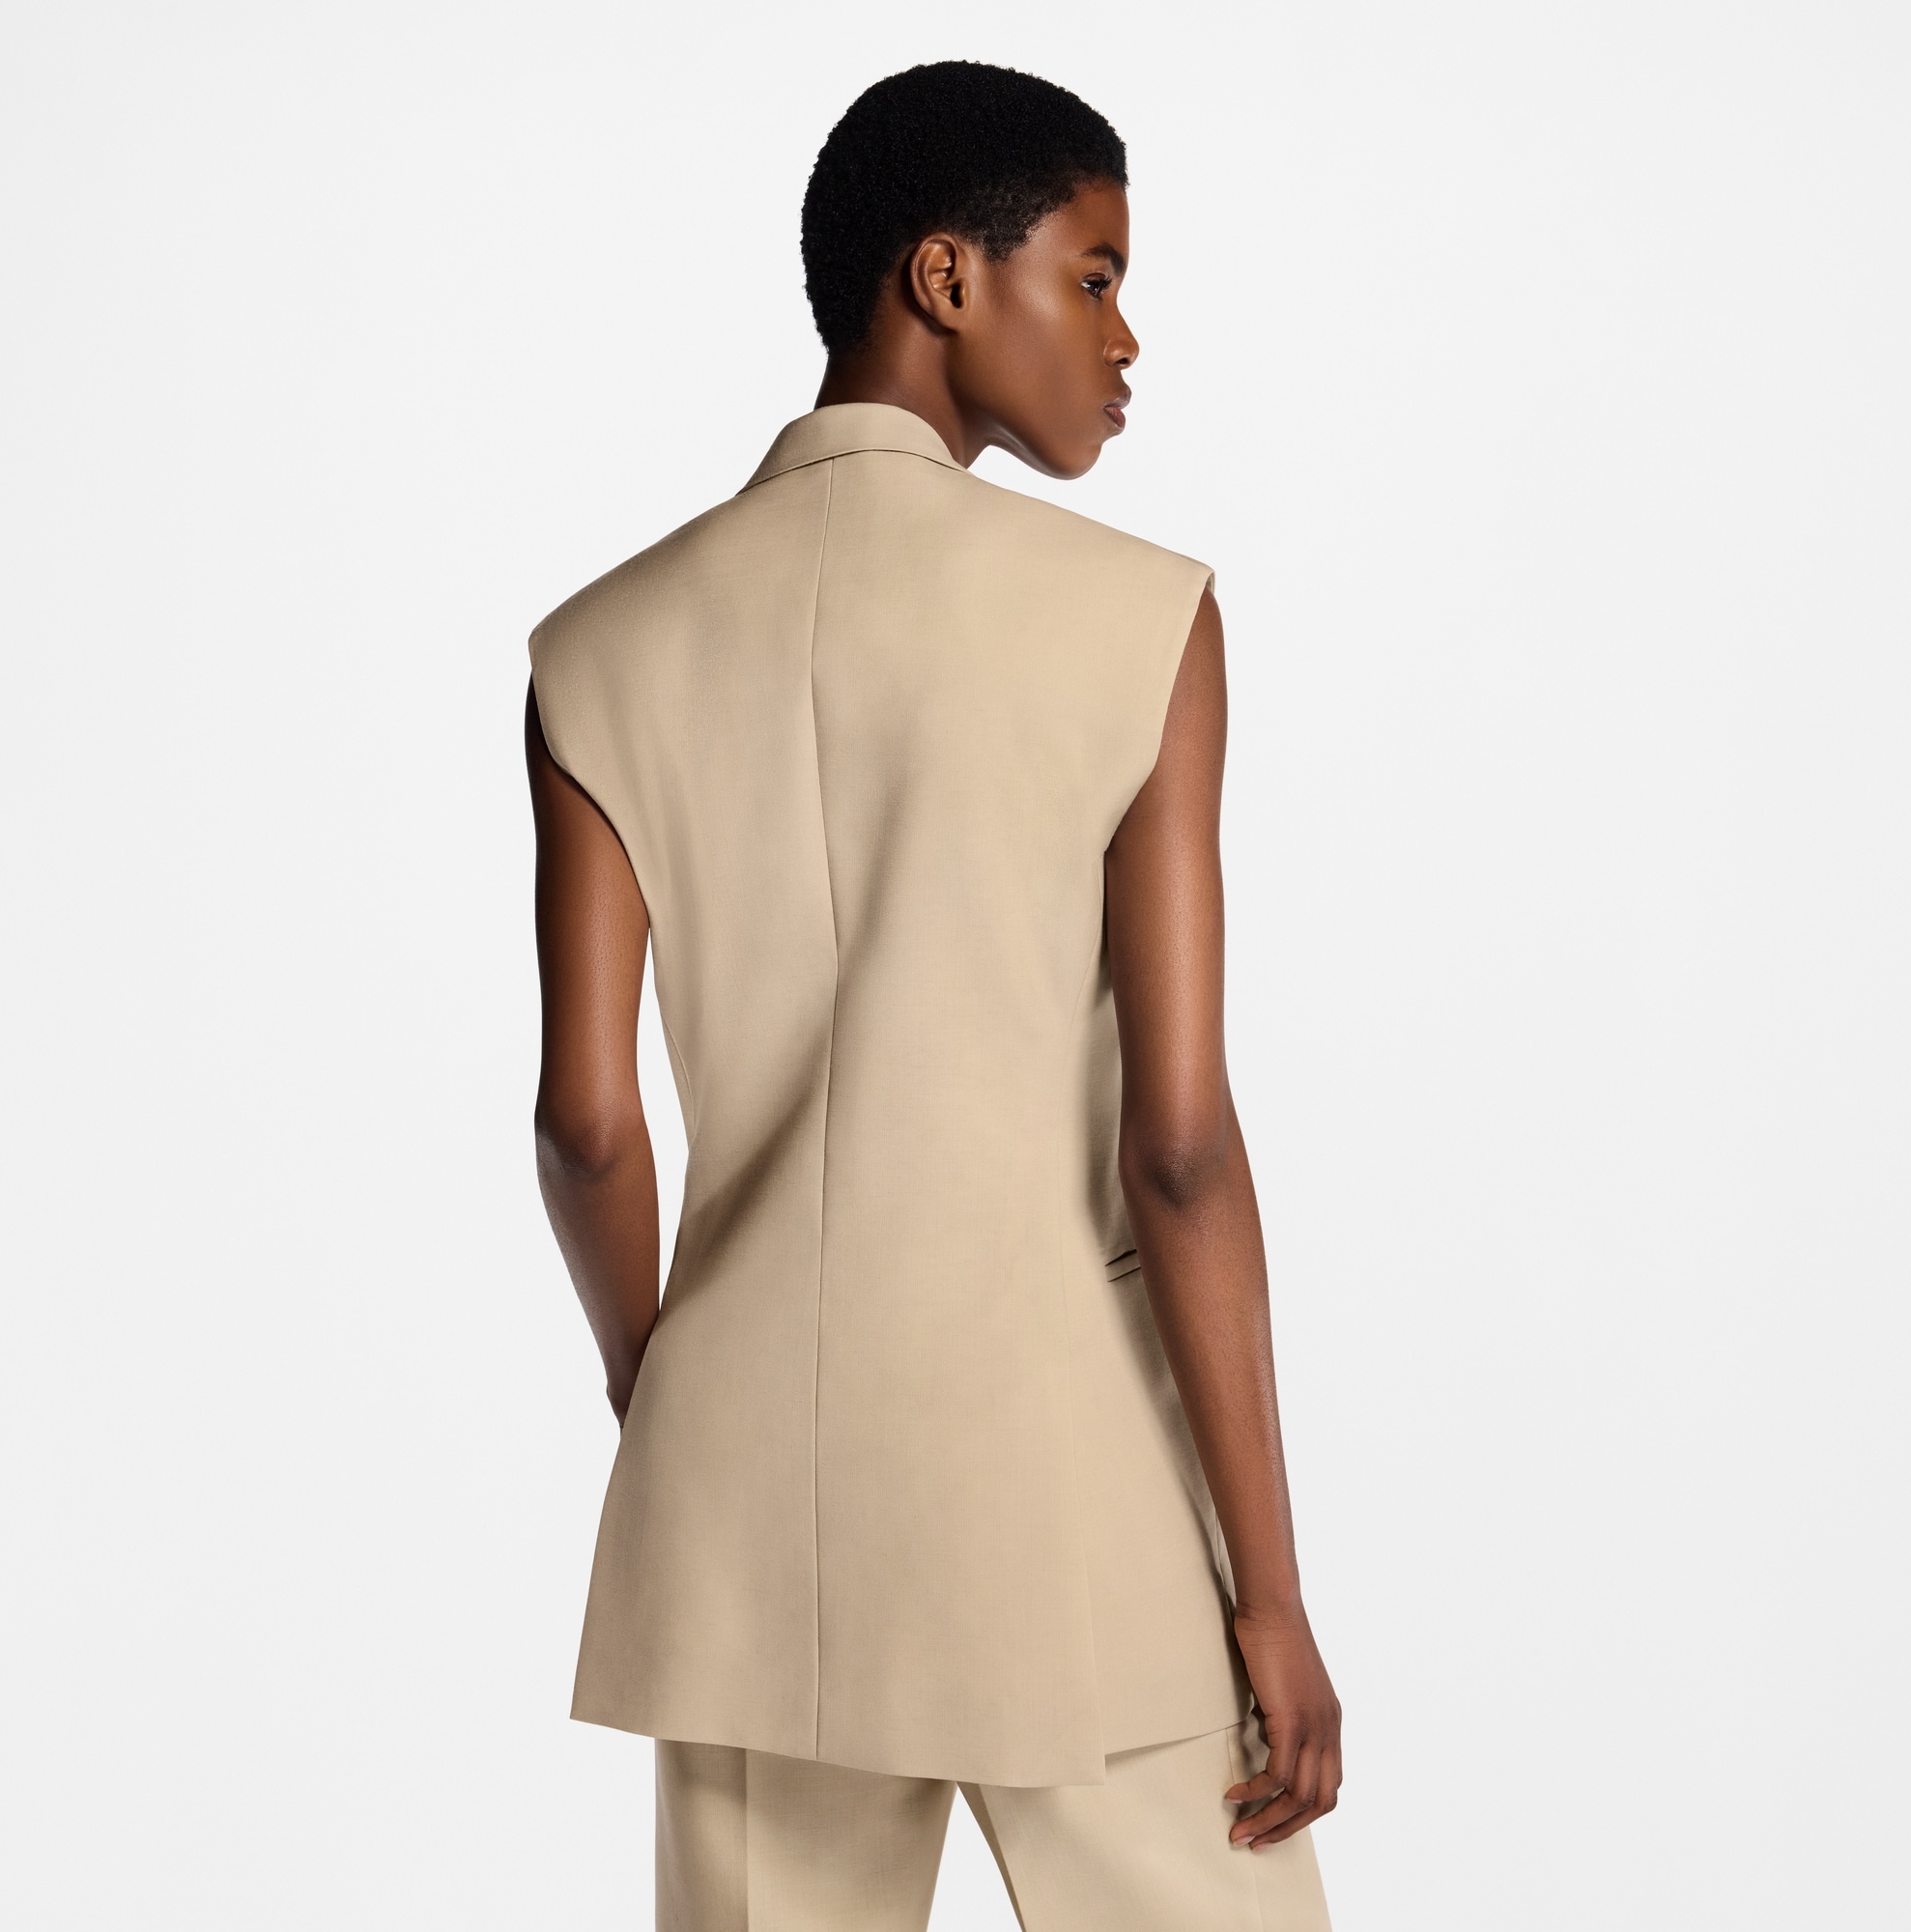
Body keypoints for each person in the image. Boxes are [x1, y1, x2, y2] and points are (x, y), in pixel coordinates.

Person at [526, 60, 1340, 1930]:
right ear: (948, 278)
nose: (1126, 340)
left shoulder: (595, 647)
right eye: (1095, 274)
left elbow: (586, 1126)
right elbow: (1181, 1148)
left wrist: (671, 1394)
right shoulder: (1142, 618)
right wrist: (1274, 1596)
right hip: (1076, 1492)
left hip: (750, 1516)